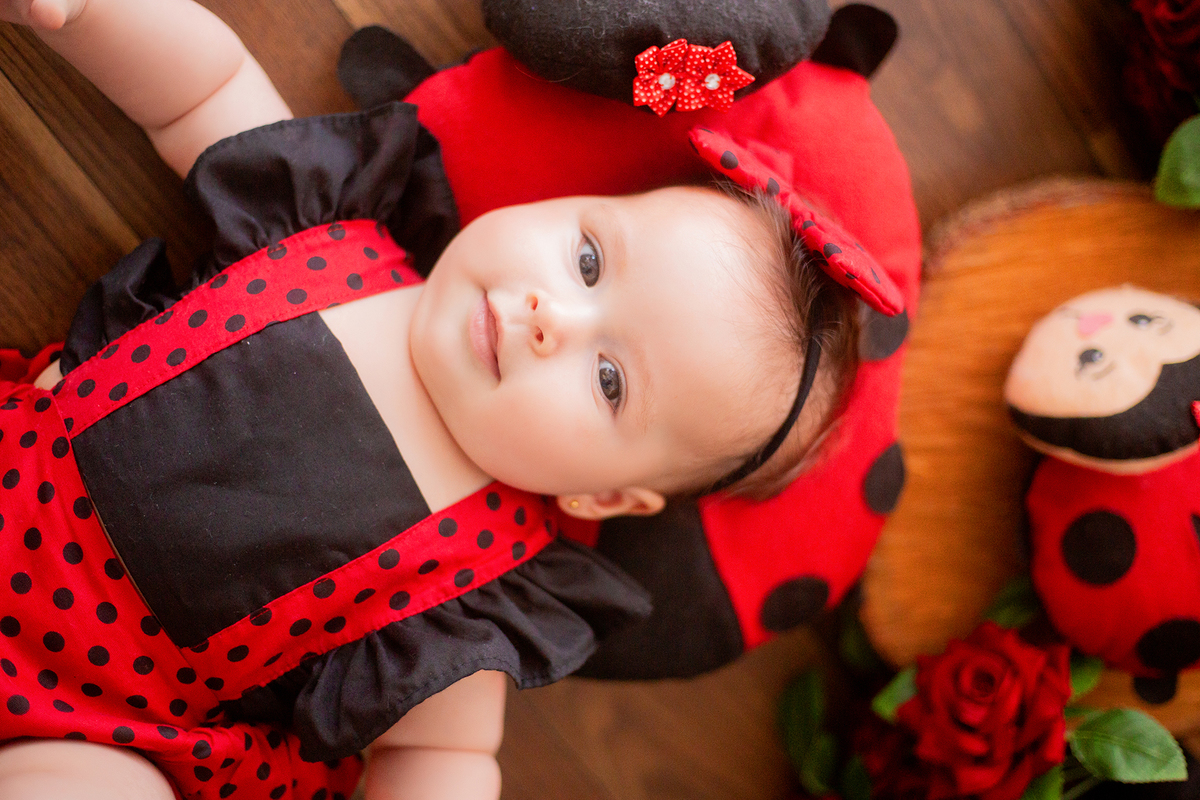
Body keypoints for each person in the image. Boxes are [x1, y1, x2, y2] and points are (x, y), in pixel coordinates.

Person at [0, 0, 864, 798]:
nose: (549, 317)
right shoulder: (329, 222)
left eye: (609, 380)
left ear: (602, 497)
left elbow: (440, 758)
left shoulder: (479, 594)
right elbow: (203, 91)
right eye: (589, 260)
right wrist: (90, 14)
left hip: (98, 718)